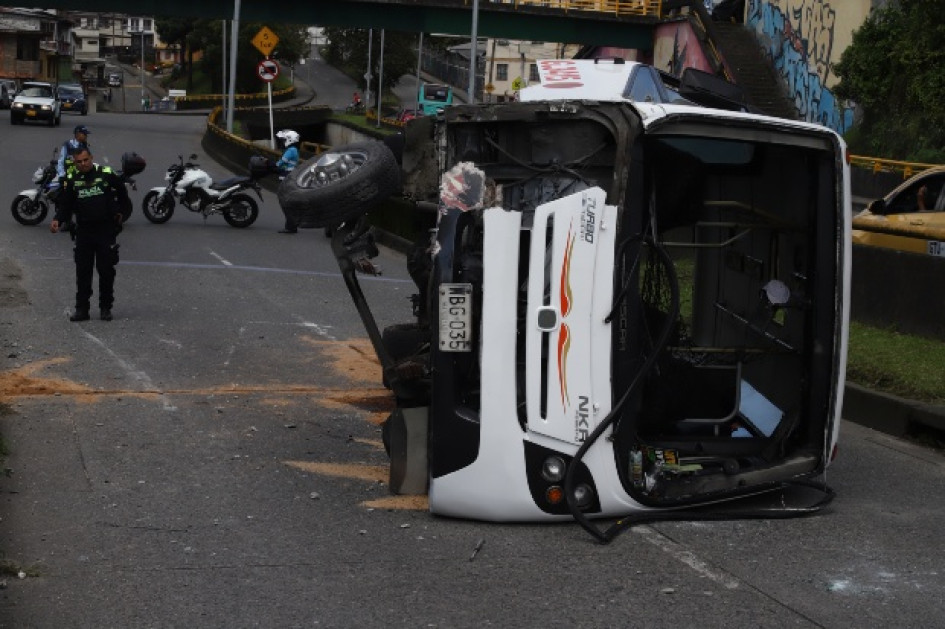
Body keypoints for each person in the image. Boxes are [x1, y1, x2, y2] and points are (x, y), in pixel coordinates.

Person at [49, 147, 131, 322]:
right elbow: (66, 204)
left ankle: (105, 308)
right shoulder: (72, 179)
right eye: (79, 162)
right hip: (84, 232)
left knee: (106, 271)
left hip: (105, 230)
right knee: (83, 272)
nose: (83, 164)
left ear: (91, 158)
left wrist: (120, 213)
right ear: (75, 163)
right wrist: (57, 219)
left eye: (85, 160)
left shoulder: (106, 174)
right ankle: (82, 309)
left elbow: (123, 195)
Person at [275, 129, 302, 234]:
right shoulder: (293, 150)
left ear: (289, 140)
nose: (282, 142)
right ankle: (291, 225)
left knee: (286, 202)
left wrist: (271, 165)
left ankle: (291, 226)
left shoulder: (291, 151)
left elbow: (281, 163)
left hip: (287, 178)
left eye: (283, 140)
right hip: (287, 177)